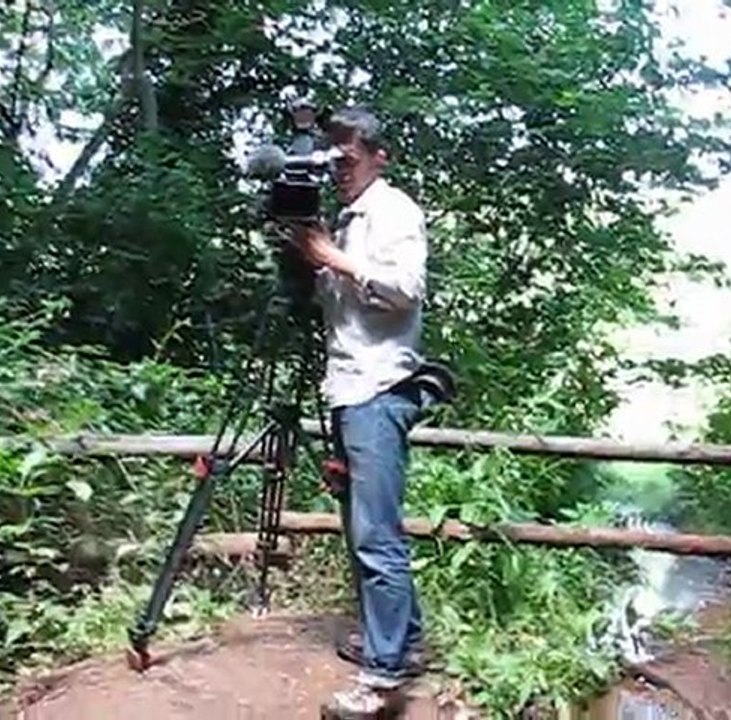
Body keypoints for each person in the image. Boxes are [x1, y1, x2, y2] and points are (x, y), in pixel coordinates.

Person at [292, 105, 435, 716]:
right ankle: (405, 640)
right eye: (332, 161)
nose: (338, 170)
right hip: (349, 389)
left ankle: (381, 680)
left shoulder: (393, 210)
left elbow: (406, 288)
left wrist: (332, 257)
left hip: (379, 390)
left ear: (379, 155)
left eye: (347, 159)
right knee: (363, 531)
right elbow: (335, 304)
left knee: (376, 538)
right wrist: (308, 258)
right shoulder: (346, 220)